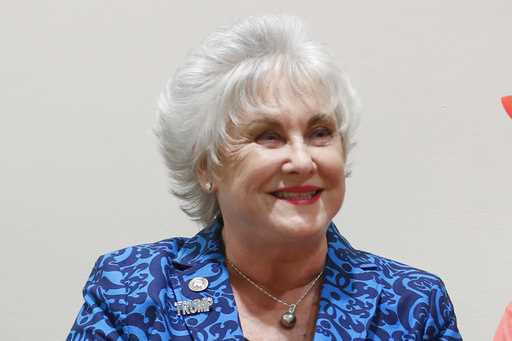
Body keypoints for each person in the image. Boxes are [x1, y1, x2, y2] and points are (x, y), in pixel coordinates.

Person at [68, 15, 462, 340]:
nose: (302, 160)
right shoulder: (132, 291)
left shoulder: (413, 304)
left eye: (319, 133)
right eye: (268, 136)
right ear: (206, 166)